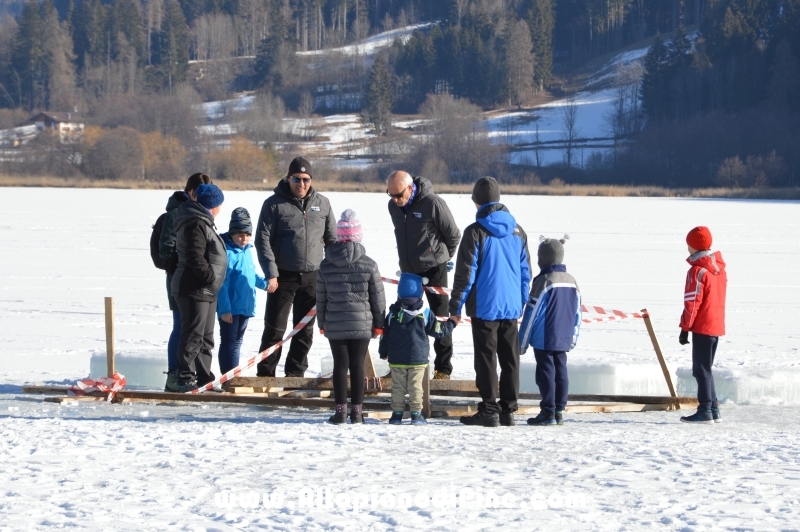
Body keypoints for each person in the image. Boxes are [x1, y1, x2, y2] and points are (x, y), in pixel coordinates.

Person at [449, 177, 531, 427]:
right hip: (511, 307)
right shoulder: (519, 231)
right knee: (510, 359)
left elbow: (465, 274)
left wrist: (455, 308)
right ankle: (508, 409)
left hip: (485, 307)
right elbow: (525, 272)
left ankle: (489, 409)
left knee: (486, 359)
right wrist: (521, 302)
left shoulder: (475, 232)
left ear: (476, 201)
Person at [254, 157, 337, 377]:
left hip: (313, 277)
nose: (301, 184)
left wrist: (332, 272)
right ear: (288, 178)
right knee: (275, 328)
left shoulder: (323, 203)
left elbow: (332, 240)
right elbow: (262, 240)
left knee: (305, 330)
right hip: (282, 276)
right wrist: (271, 273)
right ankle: (265, 375)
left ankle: (295, 374)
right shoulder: (273, 204)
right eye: (296, 179)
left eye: (306, 179)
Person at [386, 171, 461, 380]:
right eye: (390, 195)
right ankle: (400, 367)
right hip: (409, 271)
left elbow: (453, 234)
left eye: (399, 195)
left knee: (440, 317)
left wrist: (442, 258)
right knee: (404, 319)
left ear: (410, 188)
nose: (395, 200)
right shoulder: (393, 207)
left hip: (435, 269)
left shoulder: (432, 203)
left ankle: (443, 369)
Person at [316, 210, 385, 424]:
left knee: (340, 365)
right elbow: (377, 298)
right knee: (357, 365)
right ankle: (356, 412)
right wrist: (379, 325)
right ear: (358, 235)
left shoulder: (326, 265)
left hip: (334, 325)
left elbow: (321, 298)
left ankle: (340, 412)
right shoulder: (369, 264)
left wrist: (321, 323)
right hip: (362, 325)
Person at [519, 236, 582, 426]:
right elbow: (578, 313)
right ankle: (559, 410)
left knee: (546, 373)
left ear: (542, 259)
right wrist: (573, 338)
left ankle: (548, 411)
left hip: (543, 337)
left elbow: (531, 314)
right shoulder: (572, 281)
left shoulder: (543, 281)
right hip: (563, 337)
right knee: (561, 371)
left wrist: (521, 344)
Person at [379, 272, 457, 425]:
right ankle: (416, 414)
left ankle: (396, 414)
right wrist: (451, 323)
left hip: (397, 359)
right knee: (416, 387)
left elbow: (385, 336)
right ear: (420, 292)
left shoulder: (392, 314)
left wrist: (383, 352)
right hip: (417, 359)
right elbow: (438, 331)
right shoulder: (425, 313)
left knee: (398, 387)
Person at [159, 173, 213, 392]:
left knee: (196, 330)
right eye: (201, 192)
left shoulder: (202, 214)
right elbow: (165, 253)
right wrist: (185, 264)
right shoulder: (175, 215)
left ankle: (195, 374)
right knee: (181, 326)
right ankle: (175, 374)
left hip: (197, 281)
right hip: (180, 281)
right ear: (191, 192)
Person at [171, 184, 227, 392]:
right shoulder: (196, 223)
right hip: (194, 288)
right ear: (213, 205)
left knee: (206, 337)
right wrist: (210, 278)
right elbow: (195, 257)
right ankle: (185, 377)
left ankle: (205, 377)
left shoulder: (203, 221)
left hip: (207, 290)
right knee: (193, 334)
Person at [678, 226, 727, 424]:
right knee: (706, 368)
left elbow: (692, 302)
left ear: (695, 246)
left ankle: (705, 409)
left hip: (702, 326)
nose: (687, 247)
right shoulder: (719, 271)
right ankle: (713, 408)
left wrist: (684, 328)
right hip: (715, 325)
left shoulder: (697, 271)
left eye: (689, 244)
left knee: (701, 369)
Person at [217, 207, 268, 375]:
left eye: (247, 235)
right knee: (229, 342)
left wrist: (264, 284)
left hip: (245, 305)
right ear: (232, 233)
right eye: (240, 235)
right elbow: (221, 283)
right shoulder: (227, 252)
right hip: (231, 307)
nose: (244, 239)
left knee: (237, 342)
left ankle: (231, 375)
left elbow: (250, 273)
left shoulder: (246, 251)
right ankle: (228, 377)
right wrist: (224, 309)